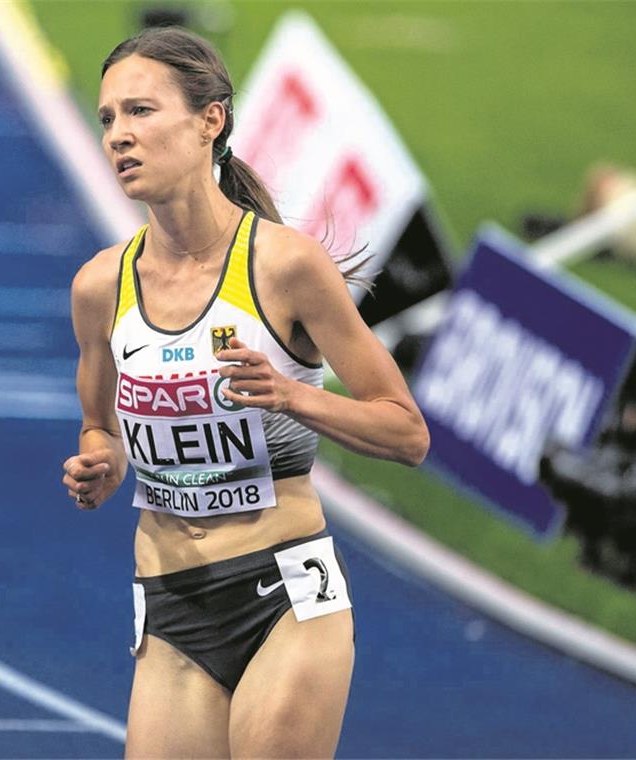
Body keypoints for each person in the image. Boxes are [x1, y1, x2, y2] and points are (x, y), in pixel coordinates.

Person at [61, 26, 430, 759]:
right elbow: (98, 426)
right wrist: (98, 459)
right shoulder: (101, 286)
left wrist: (294, 398)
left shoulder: (285, 267)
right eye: (107, 118)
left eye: (141, 111)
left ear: (210, 120)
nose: (118, 136)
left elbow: (406, 432)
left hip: (286, 592)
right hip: (171, 607)